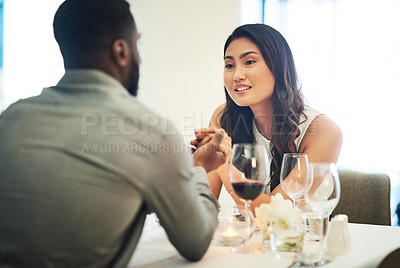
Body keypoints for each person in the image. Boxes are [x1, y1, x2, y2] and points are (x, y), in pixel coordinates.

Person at [0, 0, 231, 267]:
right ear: (121, 50)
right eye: (138, 44)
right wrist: (199, 168)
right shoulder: (151, 132)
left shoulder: (11, 118)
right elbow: (195, 241)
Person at [191, 24, 342, 211]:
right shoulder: (224, 118)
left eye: (249, 62)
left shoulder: (323, 131)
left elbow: (275, 214)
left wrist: (224, 165)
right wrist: (194, 166)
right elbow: (201, 207)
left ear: (278, 67)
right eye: (229, 65)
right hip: (247, 237)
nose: (237, 75)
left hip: (303, 237)